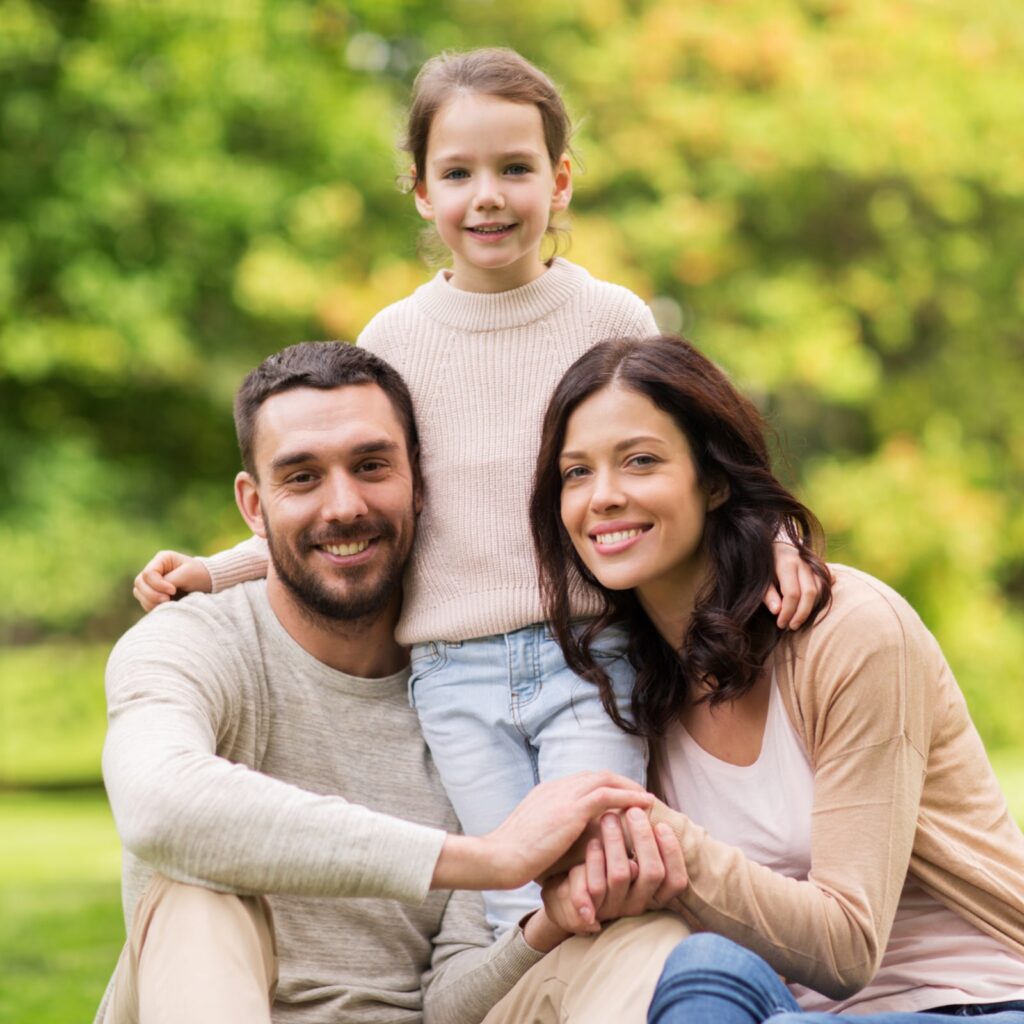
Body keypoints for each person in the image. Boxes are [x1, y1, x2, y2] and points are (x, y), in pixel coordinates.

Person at [131, 47, 818, 934]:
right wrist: (217, 571)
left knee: (603, 878)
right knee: (513, 909)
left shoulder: (613, 320)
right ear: (421, 190)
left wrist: (778, 540)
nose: (487, 195)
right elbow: (363, 505)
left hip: (589, 658)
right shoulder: (396, 339)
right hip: (453, 676)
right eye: (457, 172)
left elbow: (698, 463)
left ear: (560, 180)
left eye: (515, 168)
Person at [98, 341, 692, 1024]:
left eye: (372, 466)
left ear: (420, 482)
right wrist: (486, 858)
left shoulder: (479, 694)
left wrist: (546, 923)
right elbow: (159, 804)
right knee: (196, 892)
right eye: (302, 478)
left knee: (645, 938)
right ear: (254, 507)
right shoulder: (193, 641)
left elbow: (452, 1000)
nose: (344, 506)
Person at [529, 335, 1024, 1023]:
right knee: (694, 974)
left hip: (969, 1003)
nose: (603, 497)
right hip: (772, 1011)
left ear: (715, 479)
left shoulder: (852, 631)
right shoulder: (620, 677)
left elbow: (849, 947)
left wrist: (661, 840)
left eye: (640, 461)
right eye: (576, 473)